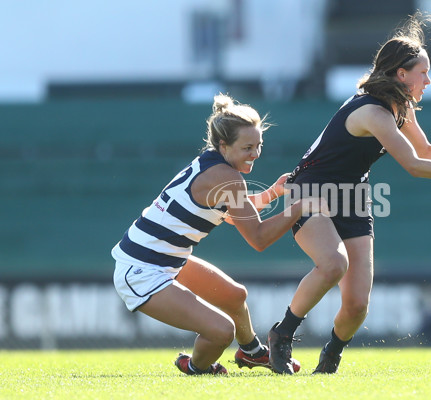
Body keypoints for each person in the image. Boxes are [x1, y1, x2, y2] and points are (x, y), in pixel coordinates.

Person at [267, 12, 431, 374]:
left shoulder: (401, 108)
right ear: (401, 74)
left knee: (356, 306)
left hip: (352, 197)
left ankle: (330, 359)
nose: (427, 80)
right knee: (333, 265)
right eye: (423, 72)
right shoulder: (373, 111)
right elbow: (412, 164)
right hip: (312, 191)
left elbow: (425, 150)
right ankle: (282, 335)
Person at [111, 94, 324, 375]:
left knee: (235, 296)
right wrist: (300, 207)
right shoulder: (228, 178)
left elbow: (238, 213)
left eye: (259, 145)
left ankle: (251, 353)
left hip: (165, 261)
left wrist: (273, 192)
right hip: (143, 270)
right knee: (222, 331)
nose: (255, 154)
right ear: (224, 145)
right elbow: (258, 237)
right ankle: (195, 367)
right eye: (247, 147)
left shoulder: (215, 166)